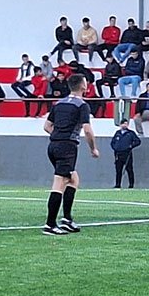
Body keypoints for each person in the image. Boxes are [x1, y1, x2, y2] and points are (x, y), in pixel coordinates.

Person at [41, 76, 100, 235]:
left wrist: (59, 135)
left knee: (73, 179)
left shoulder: (59, 103)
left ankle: (67, 219)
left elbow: (47, 126)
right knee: (60, 183)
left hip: (53, 146)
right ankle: (50, 224)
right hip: (67, 147)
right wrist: (93, 149)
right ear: (83, 86)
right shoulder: (82, 105)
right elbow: (87, 130)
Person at [110, 118, 141, 189]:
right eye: (123, 123)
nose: (125, 125)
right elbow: (112, 142)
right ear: (120, 125)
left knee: (129, 169)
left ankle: (131, 185)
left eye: (126, 123)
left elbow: (137, 141)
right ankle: (118, 184)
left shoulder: (131, 133)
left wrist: (130, 146)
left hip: (127, 154)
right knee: (118, 170)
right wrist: (115, 148)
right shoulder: (117, 133)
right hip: (118, 154)